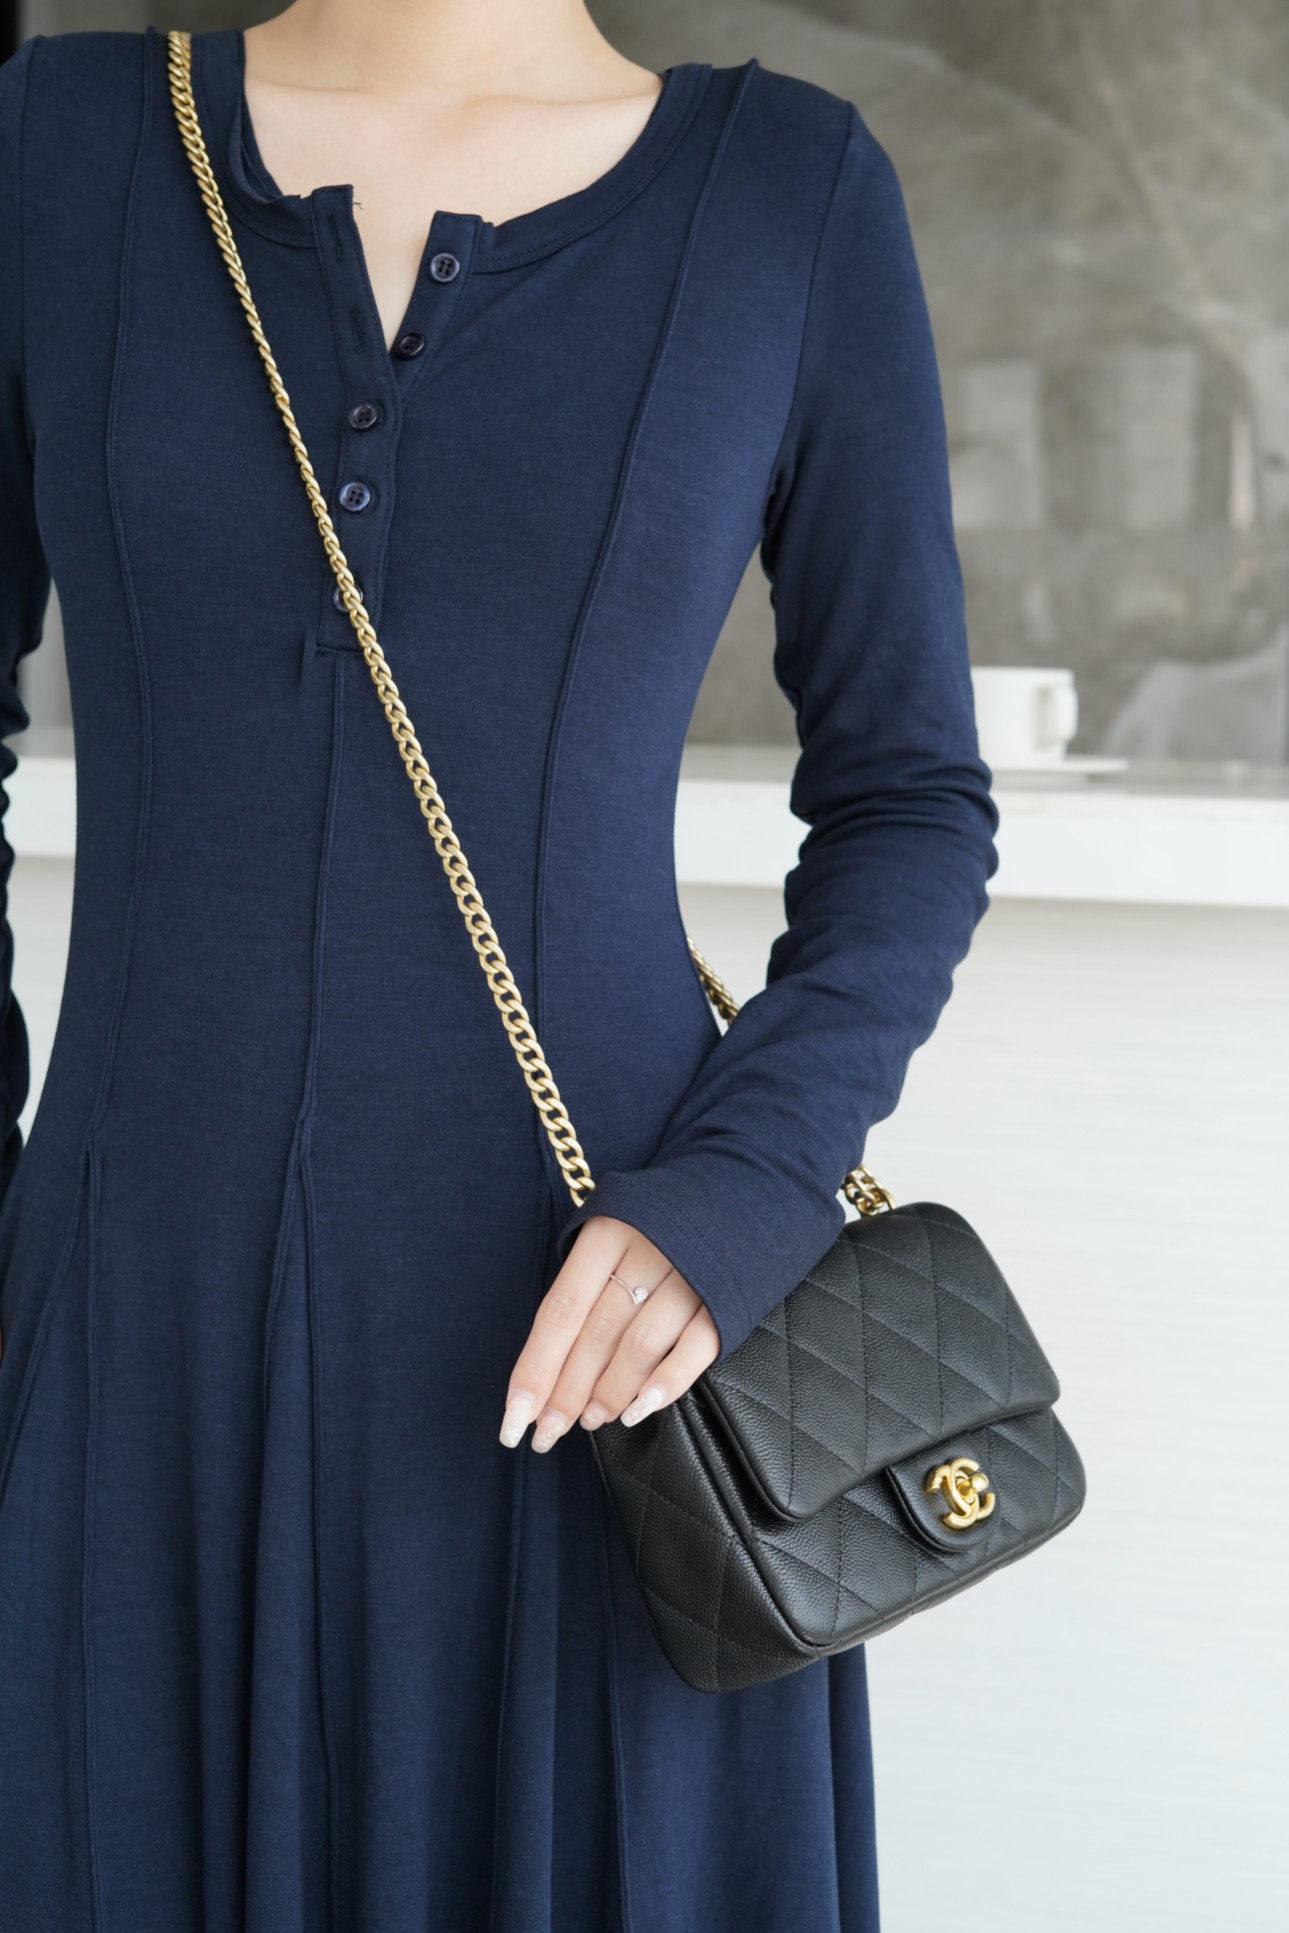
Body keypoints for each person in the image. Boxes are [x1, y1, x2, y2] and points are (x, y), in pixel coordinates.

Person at [0, 2, 999, 1928]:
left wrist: (746, 1189)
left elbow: (908, 798)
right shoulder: (62, 147)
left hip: (602, 1358)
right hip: (125, 1345)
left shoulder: (785, 195)